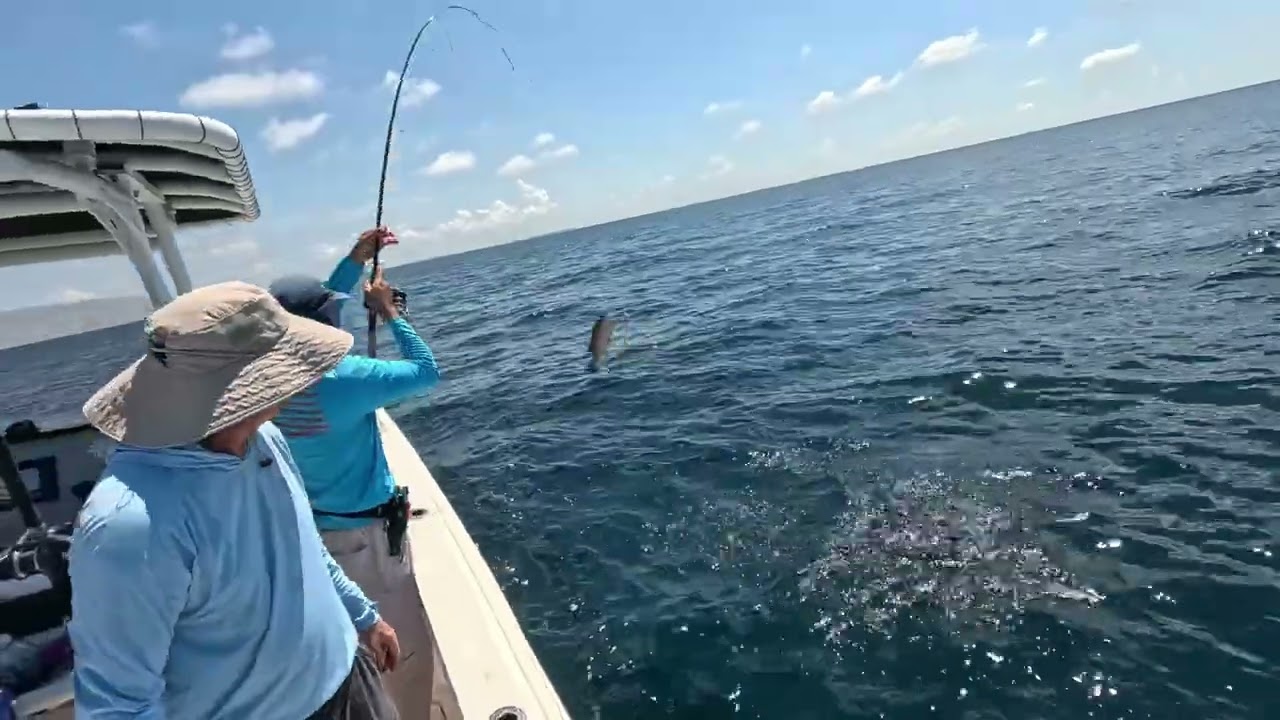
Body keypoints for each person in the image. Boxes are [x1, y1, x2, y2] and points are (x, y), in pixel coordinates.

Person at [68, 281, 401, 720]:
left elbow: (302, 543)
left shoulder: (264, 437)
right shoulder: (127, 526)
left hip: (349, 678)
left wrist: (363, 616)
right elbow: (117, 705)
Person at [269, 228, 442, 717]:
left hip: (317, 534)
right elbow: (427, 371)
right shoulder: (345, 378)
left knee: (353, 646)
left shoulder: (265, 380)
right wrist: (390, 311)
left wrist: (353, 261)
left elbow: (314, 316)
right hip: (366, 541)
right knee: (401, 652)